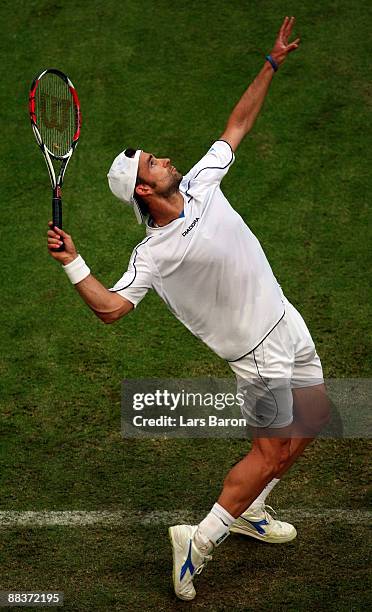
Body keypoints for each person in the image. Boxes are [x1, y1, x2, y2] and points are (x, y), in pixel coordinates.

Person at [47, 16, 331, 602]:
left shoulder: (201, 182)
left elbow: (237, 124)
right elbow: (111, 308)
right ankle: (195, 543)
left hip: (287, 320)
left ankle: (251, 511)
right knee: (272, 449)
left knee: (317, 417)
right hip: (255, 354)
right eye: (153, 162)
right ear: (143, 192)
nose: (165, 159)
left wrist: (271, 63)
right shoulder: (154, 252)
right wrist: (75, 261)